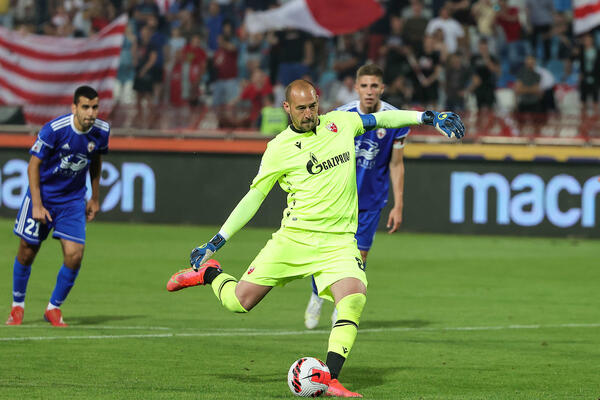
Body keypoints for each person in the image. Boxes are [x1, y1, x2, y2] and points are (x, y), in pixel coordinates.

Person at [166, 79, 464, 398]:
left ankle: (330, 377)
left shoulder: (341, 123)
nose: (308, 114)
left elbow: (383, 119)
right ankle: (209, 274)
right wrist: (217, 241)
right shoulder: (279, 148)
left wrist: (427, 117)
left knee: (354, 298)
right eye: (301, 109)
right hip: (294, 239)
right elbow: (254, 197)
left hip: (338, 243)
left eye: (312, 106)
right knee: (239, 303)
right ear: (287, 108)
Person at [304, 64, 410, 330]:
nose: (369, 91)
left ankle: (341, 306)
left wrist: (398, 205)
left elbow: (397, 164)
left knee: (357, 259)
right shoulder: (341, 116)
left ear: (382, 88)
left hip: (371, 201)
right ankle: (317, 295)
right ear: (356, 88)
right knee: (325, 254)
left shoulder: (395, 119)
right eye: (364, 86)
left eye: (374, 86)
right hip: (337, 199)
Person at [6, 86, 109, 327]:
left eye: (95, 107)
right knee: (27, 251)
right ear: (74, 108)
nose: (91, 112)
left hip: (72, 201)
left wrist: (94, 198)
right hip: (43, 197)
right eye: (85, 107)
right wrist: (37, 205)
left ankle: (53, 308)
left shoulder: (102, 131)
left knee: (75, 255)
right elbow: (33, 166)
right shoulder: (54, 130)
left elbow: (96, 160)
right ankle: (17, 306)